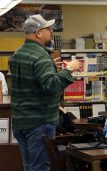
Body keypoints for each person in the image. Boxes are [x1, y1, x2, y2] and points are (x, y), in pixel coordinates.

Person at [10, 14, 80, 171]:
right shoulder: (41, 55)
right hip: (39, 122)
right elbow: (51, 85)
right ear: (38, 32)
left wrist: (50, 67)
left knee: (29, 166)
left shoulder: (18, 53)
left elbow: (30, 81)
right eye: (48, 28)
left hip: (21, 121)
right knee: (40, 167)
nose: (51, 32)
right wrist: (70, 69)